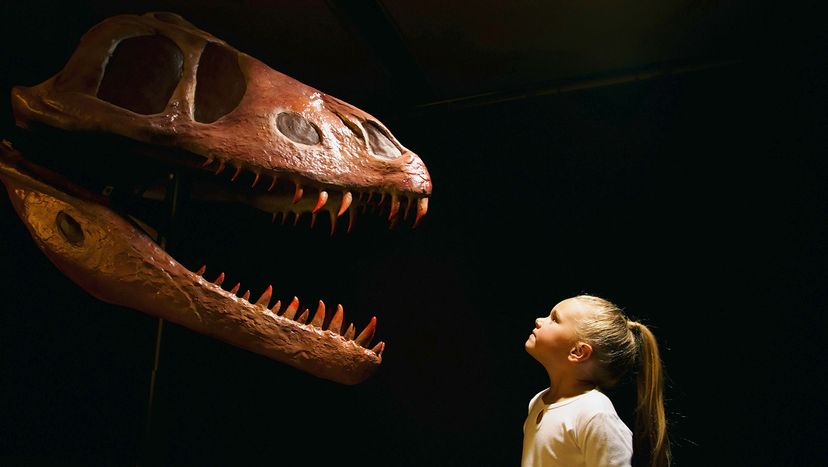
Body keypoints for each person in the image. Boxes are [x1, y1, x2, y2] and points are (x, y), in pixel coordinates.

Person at [522, 294, 670, 467]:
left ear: (578, 352)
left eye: (554, 319)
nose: (539, 320)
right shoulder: (538, 401)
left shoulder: (594, 412)